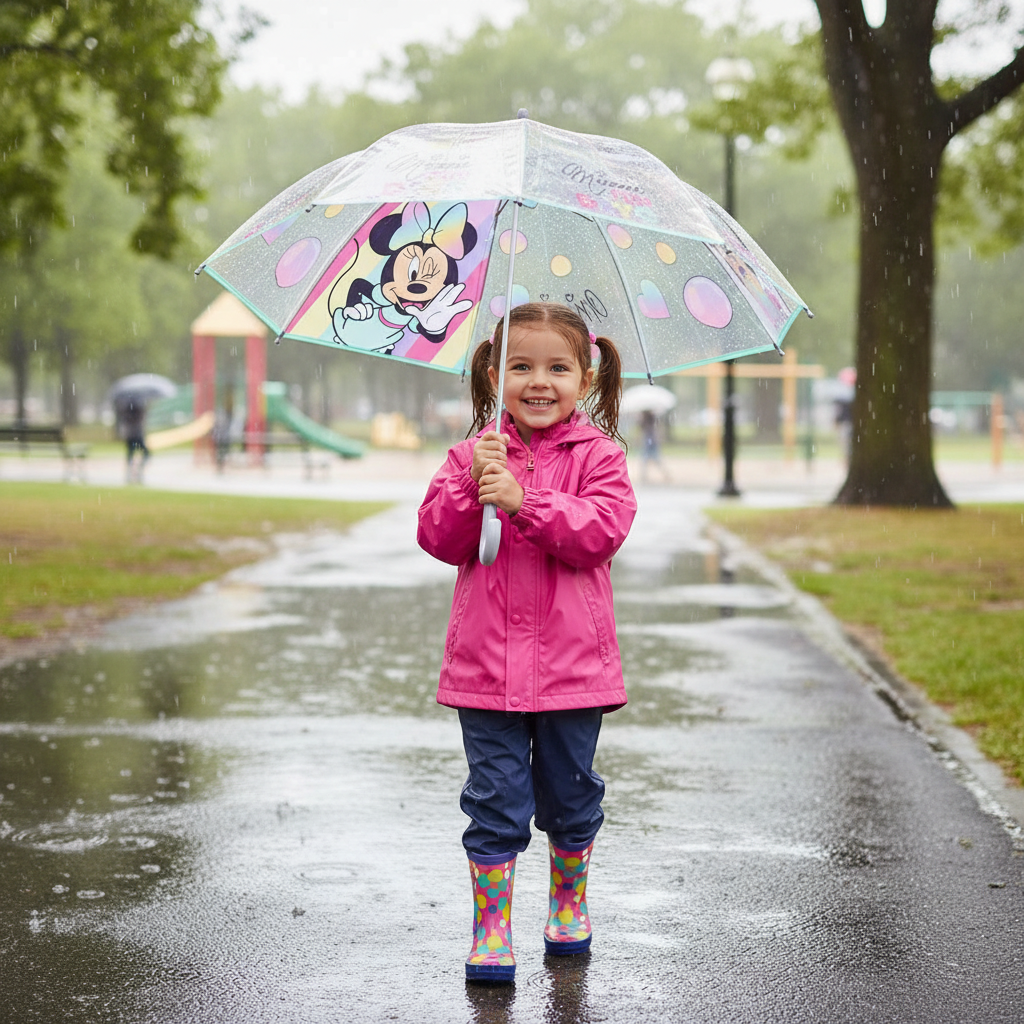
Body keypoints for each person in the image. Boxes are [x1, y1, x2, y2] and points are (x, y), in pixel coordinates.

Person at [417, 303, 637, 983]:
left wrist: (524, 502)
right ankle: (491, 928)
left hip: (574, 672)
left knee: (570, 796)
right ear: (493, 371)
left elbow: (601, 532)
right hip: (485, 671)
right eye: (520, 366)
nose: (538, 382)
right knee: (494, 798)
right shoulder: (471, 455)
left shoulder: (601, 458)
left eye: (557, 368)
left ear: (587, 377)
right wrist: (469, 485)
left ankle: (568, 903)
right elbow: (438, 537)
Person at [119, 397, 149, 483]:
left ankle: (133, 470)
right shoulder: (136, 411)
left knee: (132, 453)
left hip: (131, 435)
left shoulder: (127, 410)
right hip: (136, 435)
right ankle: (136, 470)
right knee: (142, 452)